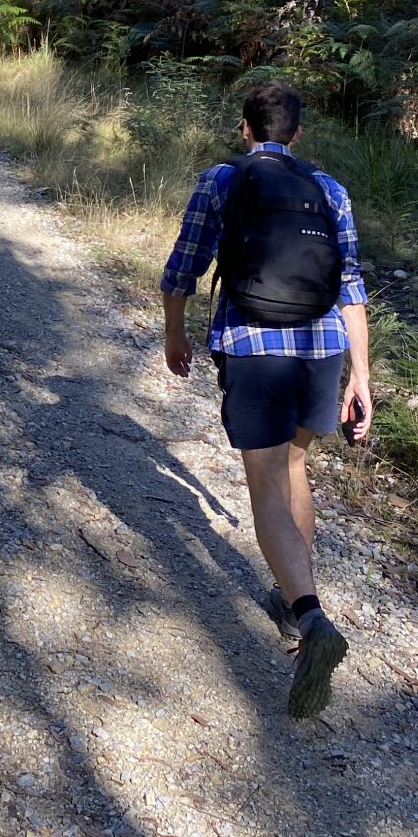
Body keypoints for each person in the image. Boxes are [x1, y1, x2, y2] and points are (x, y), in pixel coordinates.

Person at [159, 81, 372, 719]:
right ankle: (289, 596)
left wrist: (176, 334)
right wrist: (361, 375)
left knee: (265, 487)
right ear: (298, 135)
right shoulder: (330, 190)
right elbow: (351, 284)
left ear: (245, 128)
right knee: (295, 464)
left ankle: (311, 620)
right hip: (322, 349)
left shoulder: (221, 181)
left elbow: (181, 270)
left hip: (255, 347)